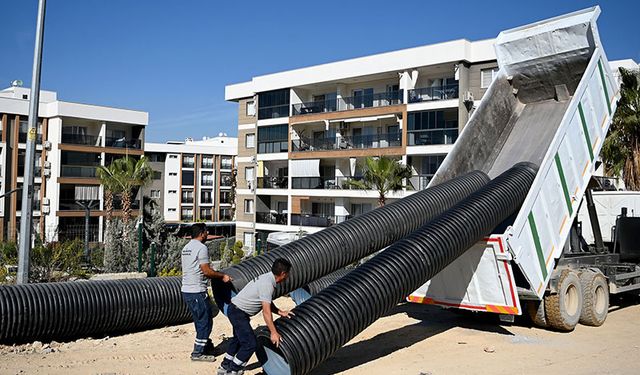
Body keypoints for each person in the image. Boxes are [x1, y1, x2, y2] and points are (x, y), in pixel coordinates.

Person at [217, 258, 293, 375]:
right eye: (288, 273)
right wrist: (273, 332)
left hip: (236, 310)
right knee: (250, 343)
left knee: (238, 339)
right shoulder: (267, 284)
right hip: (238, 312)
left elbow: (266, 301)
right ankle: (233, 369)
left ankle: (225, 365)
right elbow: (266, 312)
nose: (288, 276)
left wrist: (279, 312)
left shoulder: (267, 278)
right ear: (283, 274)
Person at [181, 223, 232, 362]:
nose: (207, 234)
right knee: (205, 321)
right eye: (206, 232)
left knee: (201, 320)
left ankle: (206, 347)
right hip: (196, 291)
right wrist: (222, 276)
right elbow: (206, 271)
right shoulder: (201, 248)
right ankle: (197, 353)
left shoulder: (186, 247)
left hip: (187, 290)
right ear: (202, 233)